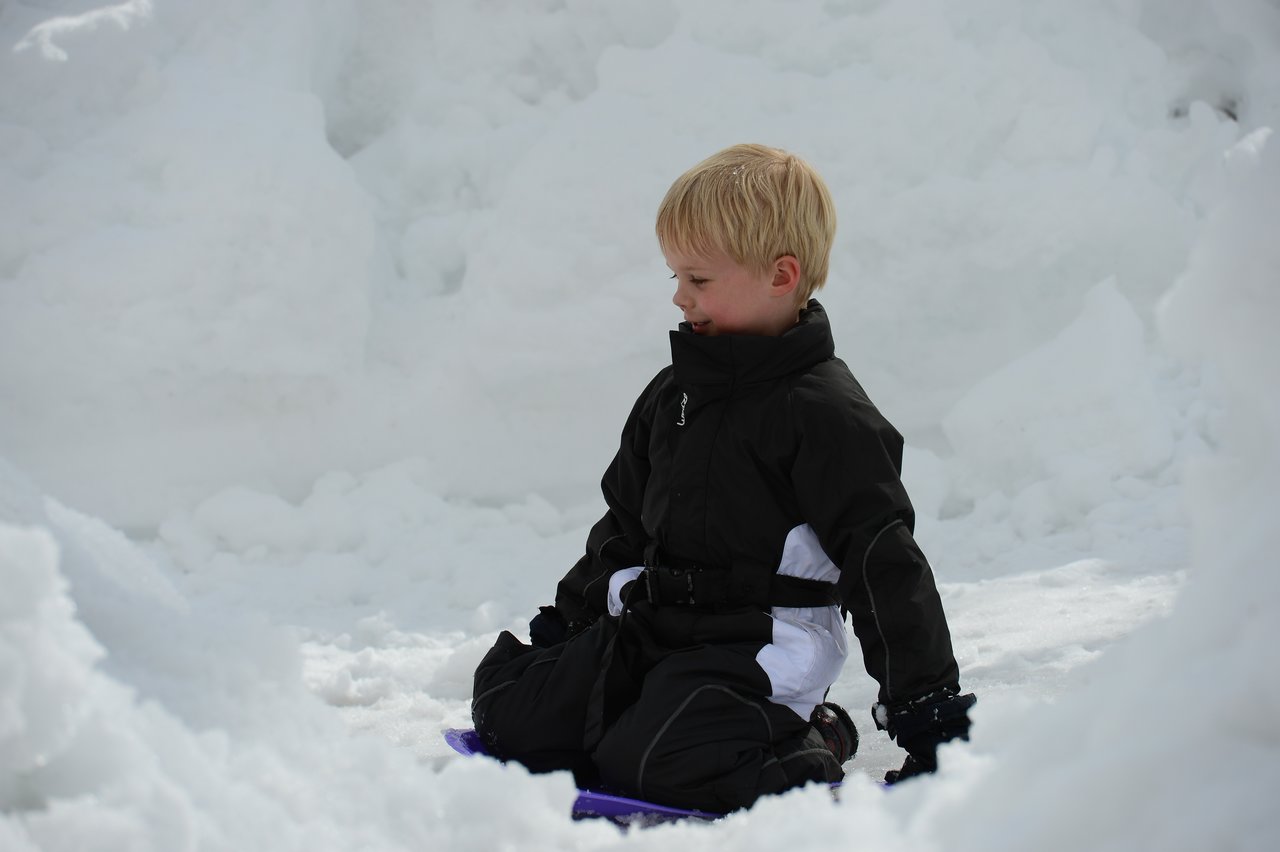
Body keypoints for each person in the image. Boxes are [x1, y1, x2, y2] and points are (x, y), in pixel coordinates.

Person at [471, 143, 975, 813]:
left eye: (699, 280)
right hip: (655, 629)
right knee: (509, 708)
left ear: (781, 276)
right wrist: (567, 629)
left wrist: (928, 716)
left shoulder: (824, 414)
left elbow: (884, 565)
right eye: (676, 277)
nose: (680, 297)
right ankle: (658, 726)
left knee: (657, 762)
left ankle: (814, 739)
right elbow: (622, 526)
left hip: (760, 645)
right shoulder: (674, 395)